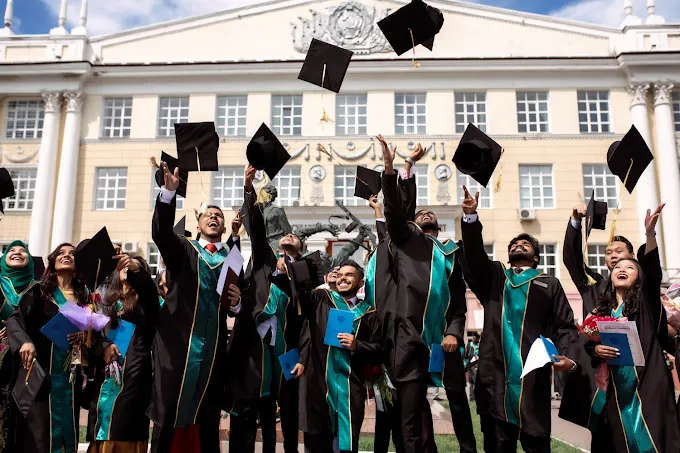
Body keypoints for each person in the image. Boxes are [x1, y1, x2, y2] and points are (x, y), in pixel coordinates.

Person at [460, 186, 579, 453]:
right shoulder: (494, 277)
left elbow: (565, 326)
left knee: (536, 443)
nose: (518, 244)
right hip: (494, 376)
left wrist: (570, 357)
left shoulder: (548, 284)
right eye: (514, 243)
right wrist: (470, 218)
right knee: (498, 445)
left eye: (525, 244)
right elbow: (475, 257)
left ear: (535, 257)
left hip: (532, 375)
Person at [376, 136, 475, 453]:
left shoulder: (450, 254)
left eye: (432, 212)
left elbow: (458, 302)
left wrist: (454, 333)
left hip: (443, 339)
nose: (428, 212)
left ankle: (468, 449)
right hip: (411, 336)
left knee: (457, 400)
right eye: (421, 212)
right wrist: (395, 168)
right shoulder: (407, 243)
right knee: (412, 408)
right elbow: (395, 211)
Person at [149, 162, 244, 453]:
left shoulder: (233, 259)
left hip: (213, 350)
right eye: (208, 215)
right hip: (178, 347)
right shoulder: (184, 249)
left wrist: (238, 303)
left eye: (218, 216)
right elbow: (161, 235)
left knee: (207, 415)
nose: (213, 218)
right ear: (198, 221)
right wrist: (168, 193)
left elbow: (234, 305)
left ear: (224, 226)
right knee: (170, 409)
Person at [584, 205, 680, 452]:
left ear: (639, 277)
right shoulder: (601, 313)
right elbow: (589, 345)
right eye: (617, 267)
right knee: (622, 443)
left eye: (629, 266)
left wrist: (649, 235)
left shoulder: (645, 306)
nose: (621, 269)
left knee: (652, 442)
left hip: (648, 386)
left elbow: (652, 270)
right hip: (617, 391)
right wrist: (597, 350)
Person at [227, 165, 309, 453]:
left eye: (294, 239)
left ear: (299, 247)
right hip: (256, 344)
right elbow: (258, 231)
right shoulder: (263, 260)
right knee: (254, 404)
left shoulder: (302, 275)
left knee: (285, 411)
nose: (287, 238)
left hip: (285, 349)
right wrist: (249, 189)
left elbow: (306, 317)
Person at [7, 243, 90, 453]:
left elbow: (95, 338)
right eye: (61, 253)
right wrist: (25, 342)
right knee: (40, 436)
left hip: (70, 379)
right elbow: (15, 320)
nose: (67, 256)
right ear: (52, 261)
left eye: (72, 254)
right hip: (43, 378)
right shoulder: (39, 292)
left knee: (67, 435)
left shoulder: (85, 299)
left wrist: (86, 336)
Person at [293, 260, 381, 453]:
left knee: (346, 444)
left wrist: (357, 345)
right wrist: (297, 265)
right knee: (317, 443)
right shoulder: (321, 300)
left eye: (349, 275)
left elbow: (378, 350)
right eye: (340, 274)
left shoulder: (369, 313)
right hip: (319, 386)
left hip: (351, 388)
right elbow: (302, 294)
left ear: (361, 282)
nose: (343, 278)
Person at [86, 254, 160, 453]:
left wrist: (136, 269)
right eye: (124, 266)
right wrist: (104, 346)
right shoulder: (104, 300)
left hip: (133, 371)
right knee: (101, 423)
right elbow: (92, 336)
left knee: (123, 425)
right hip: (105, 372)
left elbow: (149, 290)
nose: (127, 270)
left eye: (135, 268)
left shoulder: (147, 301)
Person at [563, 203, 636, 318]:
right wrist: (576, 221)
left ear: (632, 256)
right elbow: (571, 259)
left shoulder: (643, 289)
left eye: (618, 251)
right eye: (608, 252)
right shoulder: (594, 286)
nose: (613, 255)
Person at [0, 241, 38, 452]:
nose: (16, 253)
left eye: (22, 250)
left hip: (29, 360)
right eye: (11, 250)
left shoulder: (40, 289)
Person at [464, 333, 481, 402]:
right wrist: (466, 364)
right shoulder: (470, 344)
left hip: (477, 364)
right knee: (471, 381)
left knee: (476, 381)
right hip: (470, 365)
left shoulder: (480, 345)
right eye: (473, 338)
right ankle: (471, 396)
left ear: (478, 338)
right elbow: (466, 354)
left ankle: (477, 396)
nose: (473, 339)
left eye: (475, 338)